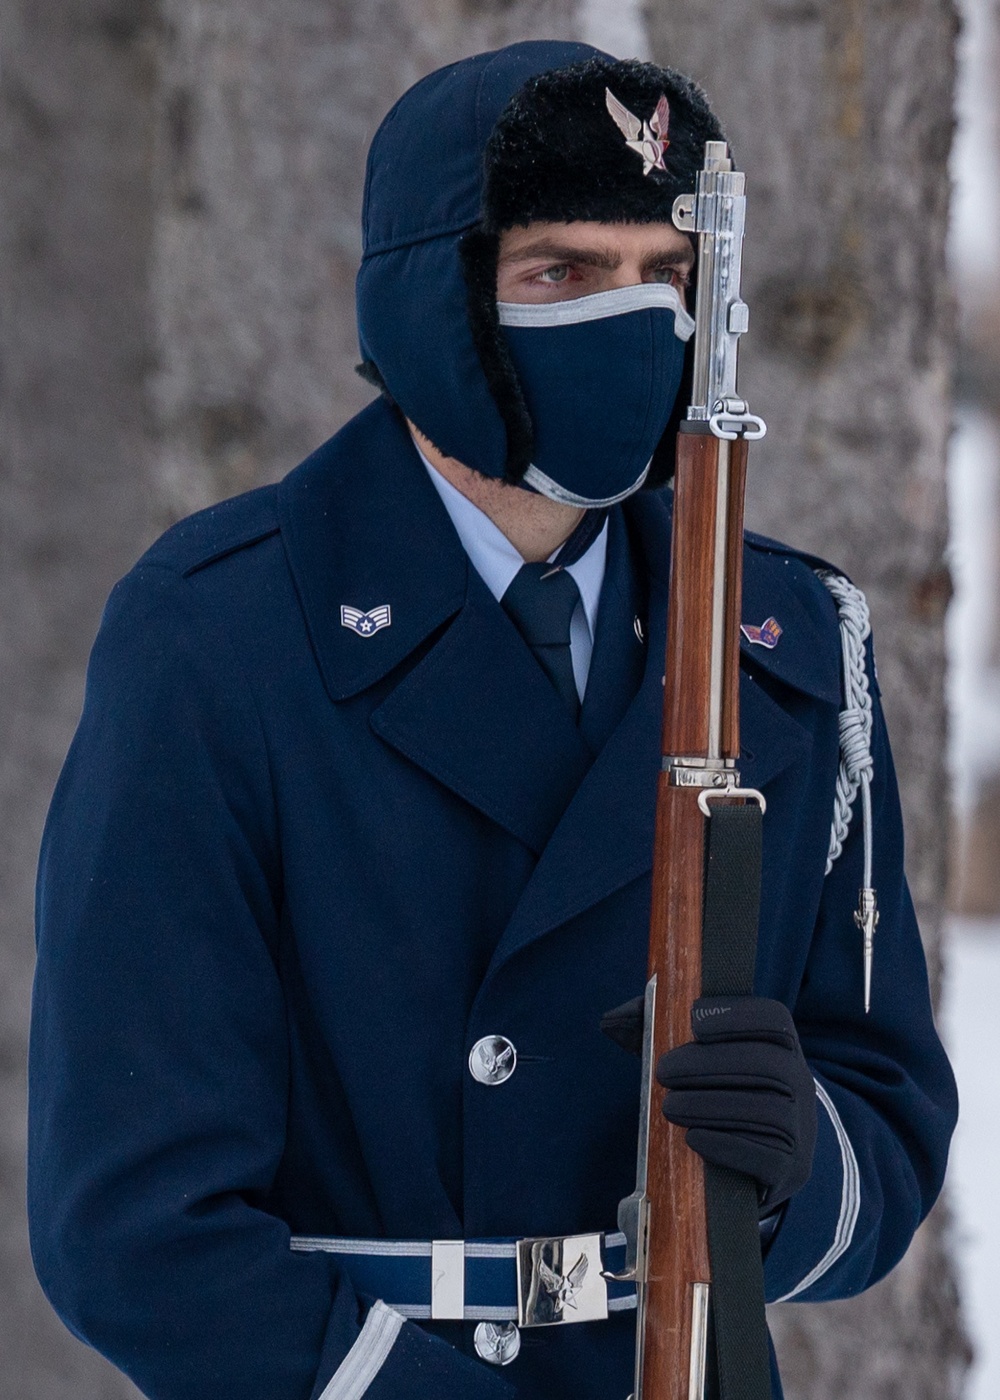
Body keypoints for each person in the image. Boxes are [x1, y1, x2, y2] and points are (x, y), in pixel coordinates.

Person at [28, 39, 957, 1400]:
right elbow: (135, 1228)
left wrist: (796, 1161)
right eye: (563, 275)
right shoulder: (216, 634)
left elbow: (890, 1120)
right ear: (435, 297)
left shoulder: (793, 645)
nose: (633, 324)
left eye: (666, 278)